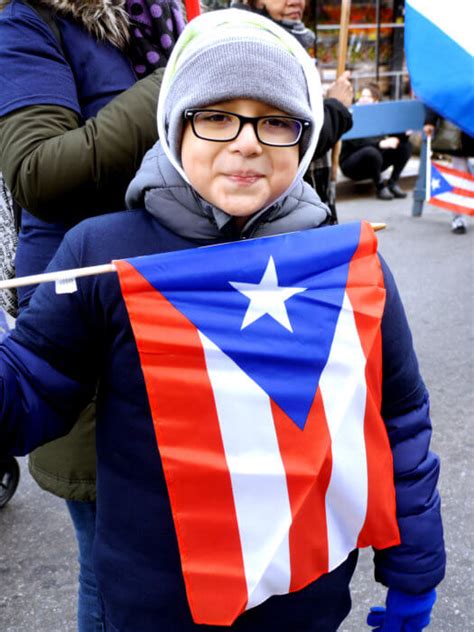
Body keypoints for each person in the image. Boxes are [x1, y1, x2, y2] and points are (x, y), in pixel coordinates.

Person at [0, 9, 445, 631]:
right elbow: (32, 383)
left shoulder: (347, 264)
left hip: (304, 595)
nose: (246, 141)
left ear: (307, 135)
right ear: (174, 127)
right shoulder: (101, 251)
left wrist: (415, 569)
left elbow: (397, 418)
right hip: (154, 601)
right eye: (215, 116)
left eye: (276, 121)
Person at [0, 0, 184, 629]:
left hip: (179, 309)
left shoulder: (165, 19)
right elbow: (37, 172)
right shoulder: (30, 21)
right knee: (112, 564)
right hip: (94, 320)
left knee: (185, 541)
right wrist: (175, 83)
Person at [230, 0, 354, 222]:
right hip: (278, 217)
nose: (297, 1)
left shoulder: (291, 45)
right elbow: (294, 143)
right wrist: (337, 107)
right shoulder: (251, 46)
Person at [339, 83, 413, 200]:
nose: (363, 99)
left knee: (405, 147)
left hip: (375, 161)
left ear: (376, 100)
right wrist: (380, 144)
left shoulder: (379, 115)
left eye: (368, 96)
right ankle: (380, 187)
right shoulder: (353, 114)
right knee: (371, 151)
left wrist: (404, 134)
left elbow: (393, 134)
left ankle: (392, 183)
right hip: (352, 163)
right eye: (362, 96)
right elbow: (356, 142)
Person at [424, 107, 473, 234]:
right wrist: (430, 121)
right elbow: (438, 97)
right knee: (459, 175)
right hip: (460, 132)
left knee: (463, 173)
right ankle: (458, 218)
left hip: (464, 129)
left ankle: (459, 217)